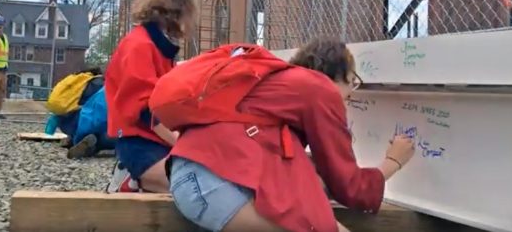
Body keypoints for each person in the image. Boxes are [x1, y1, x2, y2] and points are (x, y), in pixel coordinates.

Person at [159, 39, 416, 232]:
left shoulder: (280, 84)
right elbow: (347, 184)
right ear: (343, 76)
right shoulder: (319, 90)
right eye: (353, 83)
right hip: (213, 183)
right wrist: (392, 163)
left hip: (194, 177)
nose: (351, 96)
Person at [104, 0, 197, 193]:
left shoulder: (159, 47)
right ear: (175, 15)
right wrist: (184, 143)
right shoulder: (139, 46)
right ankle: (133, 179)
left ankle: (140, 181)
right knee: (192, 188)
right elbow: (146, 110)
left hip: (156, 140)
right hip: (139, 143)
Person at [47, 65, 116, 159]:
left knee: (82, 127)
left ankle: (73, 139)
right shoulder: (100, 84)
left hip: (64, 122)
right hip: (84, 121)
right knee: (110, 136)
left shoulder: (76, 80)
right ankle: (93, 146)